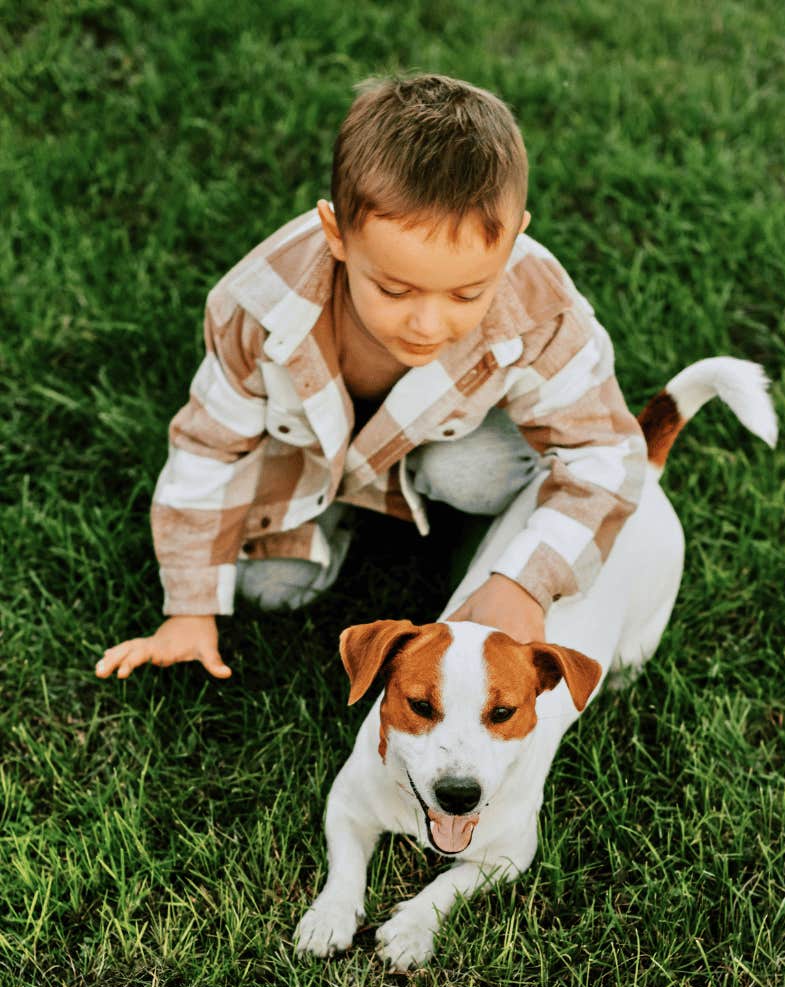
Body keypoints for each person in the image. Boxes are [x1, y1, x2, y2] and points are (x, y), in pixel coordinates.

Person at [95, 74, 647, 682]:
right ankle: (341, 506)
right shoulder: (259, 305)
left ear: (515, 241)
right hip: (314, 459)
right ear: (336, 235)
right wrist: (189, 611)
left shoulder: (542, 309)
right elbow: (209, 447)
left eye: (467, 293)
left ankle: (477, 535)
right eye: (394, 289)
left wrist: (525, 580)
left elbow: (607, 451)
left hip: (456, 448)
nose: (428, 323)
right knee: (272, 591)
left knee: (475, 473)